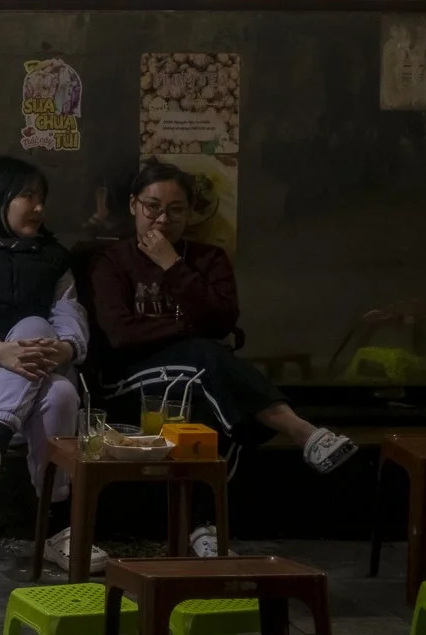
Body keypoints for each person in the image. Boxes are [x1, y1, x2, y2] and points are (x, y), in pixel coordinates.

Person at [88, 159, 358, 554]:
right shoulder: (111, 262)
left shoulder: (207, 260)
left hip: (195, 379)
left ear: (189, 212)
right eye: (152, 207)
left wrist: (172, 266)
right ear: (133, 205)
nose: (162, 219)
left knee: (206, 392)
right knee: (205, 354)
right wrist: (190, 330)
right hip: (131, 383)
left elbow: (222, 317)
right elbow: (121, 335)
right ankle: (302, 433)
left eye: (175, 210)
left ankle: (202, 532)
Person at [0, 155, 105, 572]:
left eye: (41, 197)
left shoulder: (52, 256)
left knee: (58, 380)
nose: (38, 207)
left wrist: (66, 349)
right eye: (27, 196)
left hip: (36, 391)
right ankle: (59, 528)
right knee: (53, 379)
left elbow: (69, 314)